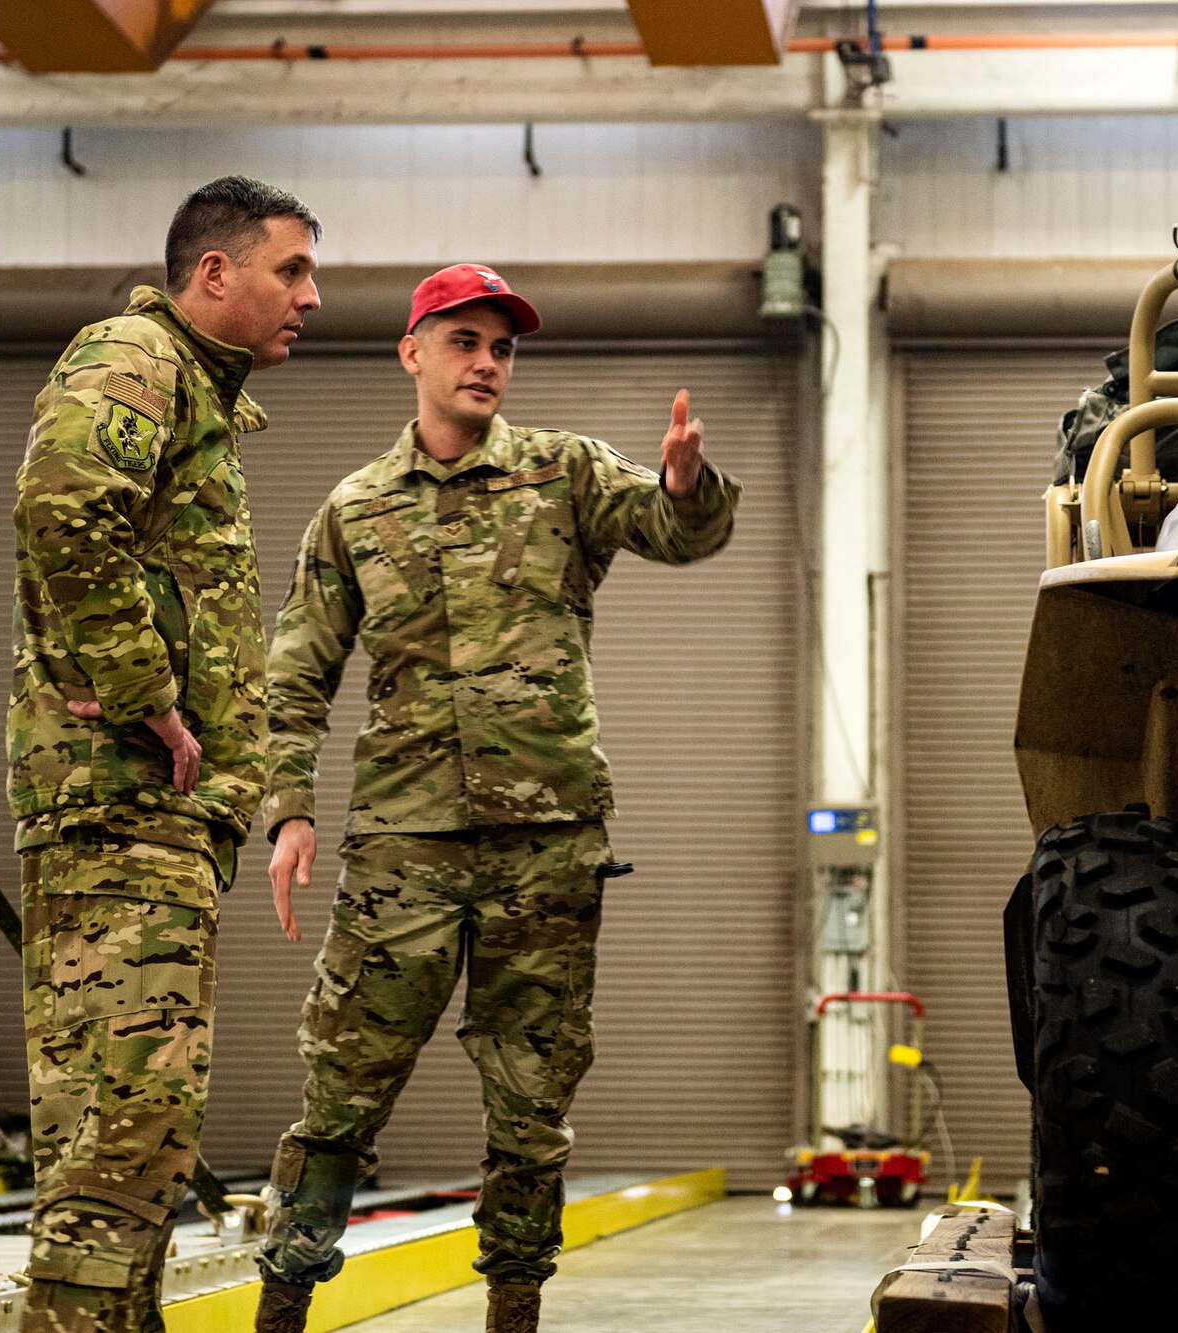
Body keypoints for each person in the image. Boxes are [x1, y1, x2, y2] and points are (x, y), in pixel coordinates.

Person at [250, 264, 740, 1333]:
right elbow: (294, 671)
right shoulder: (355, 509)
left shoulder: (563, 473)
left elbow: (677, 534)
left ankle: (513, 1308)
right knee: (342, 1089)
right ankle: (282, 1302)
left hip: (547, 845)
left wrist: (683, 484)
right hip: (401, 845)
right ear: (412, 354)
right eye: (464, 341)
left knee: (532, 1102)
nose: (486, 363)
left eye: (503, 347)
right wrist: (289, 808)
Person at [7, 176, 321, 1333]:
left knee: (132, 1144)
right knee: (122, 1141)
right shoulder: (134, 356)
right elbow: (62, 504)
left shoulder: (196, 391)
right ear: (213, 274)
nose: (310, 296)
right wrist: (149, 699)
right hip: (117, 806)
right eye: (290, 271)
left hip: (156, 821)